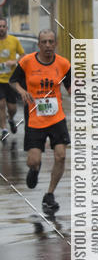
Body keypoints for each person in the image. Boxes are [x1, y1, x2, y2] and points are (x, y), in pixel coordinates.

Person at [9, 29, 71, 212]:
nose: (48, 45)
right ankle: (35, 169)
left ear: (56, 44)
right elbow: (13, 81)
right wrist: (22, 92)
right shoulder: (27, 62)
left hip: (57, 116)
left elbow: (70, 86)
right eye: (44, 42)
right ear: (38, 45)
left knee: (61, 155)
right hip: (35, 118)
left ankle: (49, 194)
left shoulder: (63, 64)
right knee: (33, 160)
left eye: (51, 42)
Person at [0, 18, 25, 141]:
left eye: (3, 26)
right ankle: (3, 130)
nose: (1, 28)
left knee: (12, 108)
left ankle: (10, 119)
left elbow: (23, 56)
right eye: (0, 26)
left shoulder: (14, 41)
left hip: (11, 80)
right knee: (1, 104)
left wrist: (14, 61)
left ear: (7, 28)